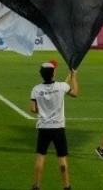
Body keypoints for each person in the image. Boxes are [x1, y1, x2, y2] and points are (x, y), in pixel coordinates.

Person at [30, 61, 78, 190]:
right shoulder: (61, 86)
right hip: (58, 128)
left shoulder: (36, 89)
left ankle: (36, 186)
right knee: (62, 159)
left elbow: (33, 109)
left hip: (44, 127)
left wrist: (44, 110)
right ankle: (67, 186)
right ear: (53, 73)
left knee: (41, 156)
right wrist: (74, 77)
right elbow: (74, 93)